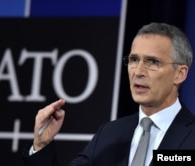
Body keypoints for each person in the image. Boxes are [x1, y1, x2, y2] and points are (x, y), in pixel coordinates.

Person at [22, 23, 195, 166]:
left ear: (180, 74)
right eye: (134, 60)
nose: (138, 71)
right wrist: (41, 146)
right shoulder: (110, 134)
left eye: (152, 62)